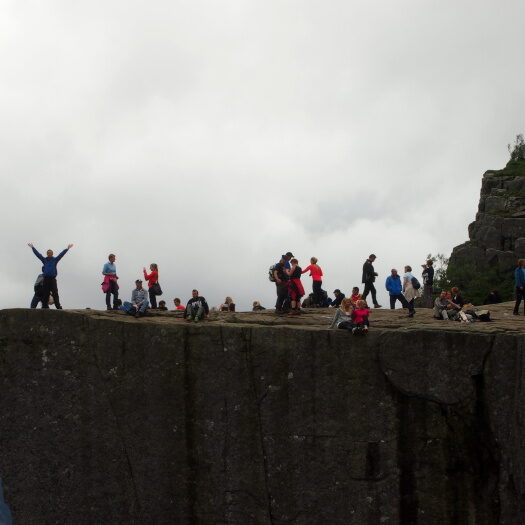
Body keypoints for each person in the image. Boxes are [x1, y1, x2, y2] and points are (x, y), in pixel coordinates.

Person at [28, 243, 73, 309]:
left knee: (55, 293)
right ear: (47, 254)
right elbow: (38, 255)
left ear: (52, 254)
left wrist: (67, 248)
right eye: (48, 252)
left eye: (50, 252)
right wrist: (33, 247)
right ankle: (44, 306)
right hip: (46, 279)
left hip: (52, 279)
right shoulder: (44, 260)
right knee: (45, 293)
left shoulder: (55, 260)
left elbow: (61, 255)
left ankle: (58, 306)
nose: (49, 253)